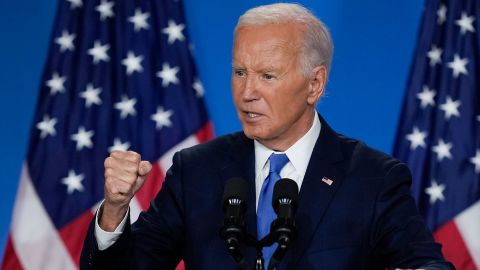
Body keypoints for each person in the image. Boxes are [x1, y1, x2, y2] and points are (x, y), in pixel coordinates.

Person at [81, 3, 453, 269]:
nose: (247, 92)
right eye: (240, 72)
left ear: (315, 84)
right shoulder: (195, 170)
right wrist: (115, 209)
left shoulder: (372, 178)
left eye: (267, 76)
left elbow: (426, 263)